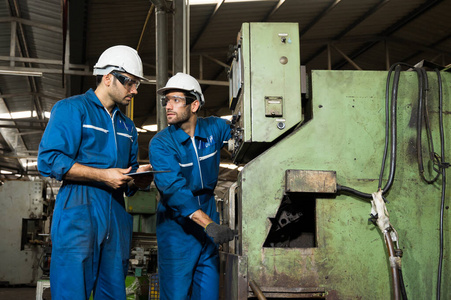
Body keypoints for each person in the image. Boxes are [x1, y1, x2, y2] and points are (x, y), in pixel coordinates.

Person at [37, 45, 154, 300]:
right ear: (108, 77)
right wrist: (103, 176)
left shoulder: (128, 127)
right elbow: (49, 160)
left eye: (137, 85)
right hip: (78, 210)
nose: (134, 90)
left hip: (116, 213)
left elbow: (128, 176)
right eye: (129, 83)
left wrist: (139, 179)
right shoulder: (72, 109)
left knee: (112, 291)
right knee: (72, 290)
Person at [149, 72, 237, 300]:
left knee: (208, 293)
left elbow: (243, 135)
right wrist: (210, 226)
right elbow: (174, 191)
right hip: (176, 227)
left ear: (194, 104)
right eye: (166, 100)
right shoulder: (161, 144)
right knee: (176, 295)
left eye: (175, 100)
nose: (168, 106)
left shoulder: (214, 129)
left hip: (207, 213)